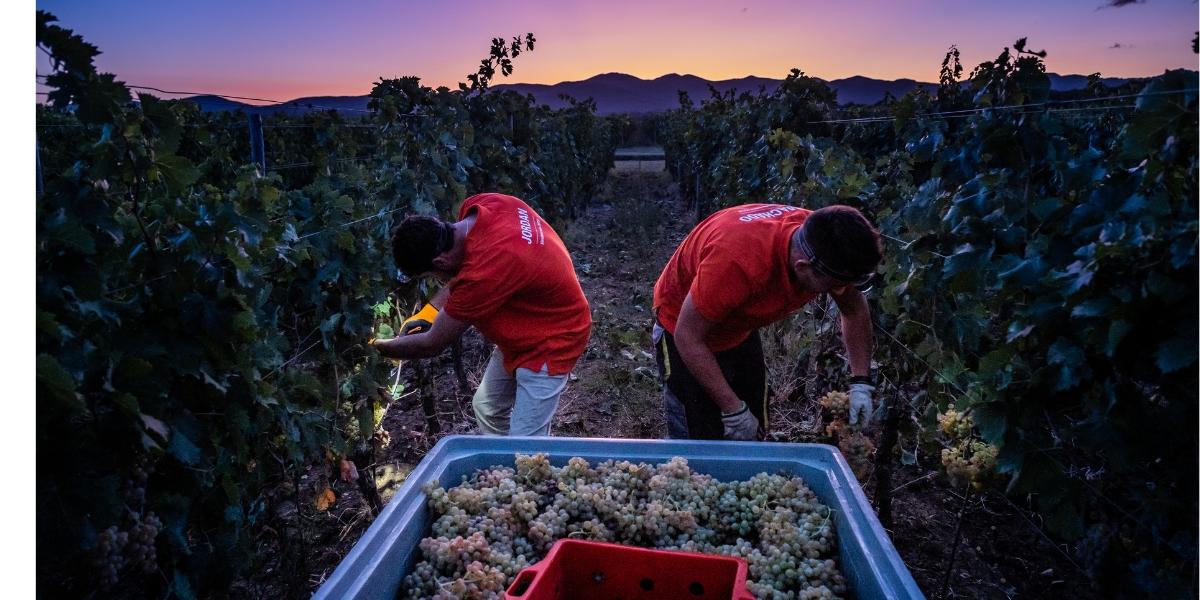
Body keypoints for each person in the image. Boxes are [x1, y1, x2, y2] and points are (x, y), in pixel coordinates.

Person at [652, 203, 883, 440]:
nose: (842, 290)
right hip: (683, 324)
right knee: (699, 438)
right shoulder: (737, 262)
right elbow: (688, 337)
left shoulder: (826, 240)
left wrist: (861, 383)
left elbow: (853, 310)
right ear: (802, 266)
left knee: (754, 431)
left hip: (737, 324)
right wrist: (733, 409)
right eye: (835, 284)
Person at [371, 192, 592, 436]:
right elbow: (463, 277)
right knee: (487, 408)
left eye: (432, 275)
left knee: (527, 443)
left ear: (440, 263)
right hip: (528, 324)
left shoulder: (485, 272)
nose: (439, 280)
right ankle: (504, 468)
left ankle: (525, 467)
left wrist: (378, 346)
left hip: (554, 338)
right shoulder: (484, 204)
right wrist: (429, 312)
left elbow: (431, 344)